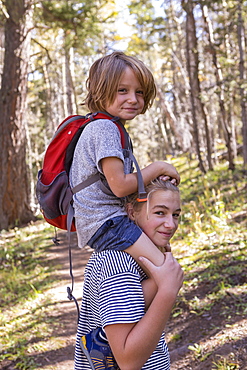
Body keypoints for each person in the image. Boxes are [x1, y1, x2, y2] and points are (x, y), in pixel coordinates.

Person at [70, 51, 180, 276]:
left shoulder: (108, 126)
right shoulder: (105, 128)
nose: (133, 99)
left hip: (107, 220)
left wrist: (153, 180)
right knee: (167, 272)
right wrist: (158, 167)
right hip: (105, 222)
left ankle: (139, 310)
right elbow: (119, 186)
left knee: (155, 270)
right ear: (101, 91)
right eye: (123, 90)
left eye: (139, 92)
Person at [74, 179, 184, 369]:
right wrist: (168, 290)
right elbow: (128, 360)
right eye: (160, 212)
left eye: (175, 215)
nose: (171, 224)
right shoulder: (117, 262)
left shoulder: (140, 258)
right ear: (132, 212)